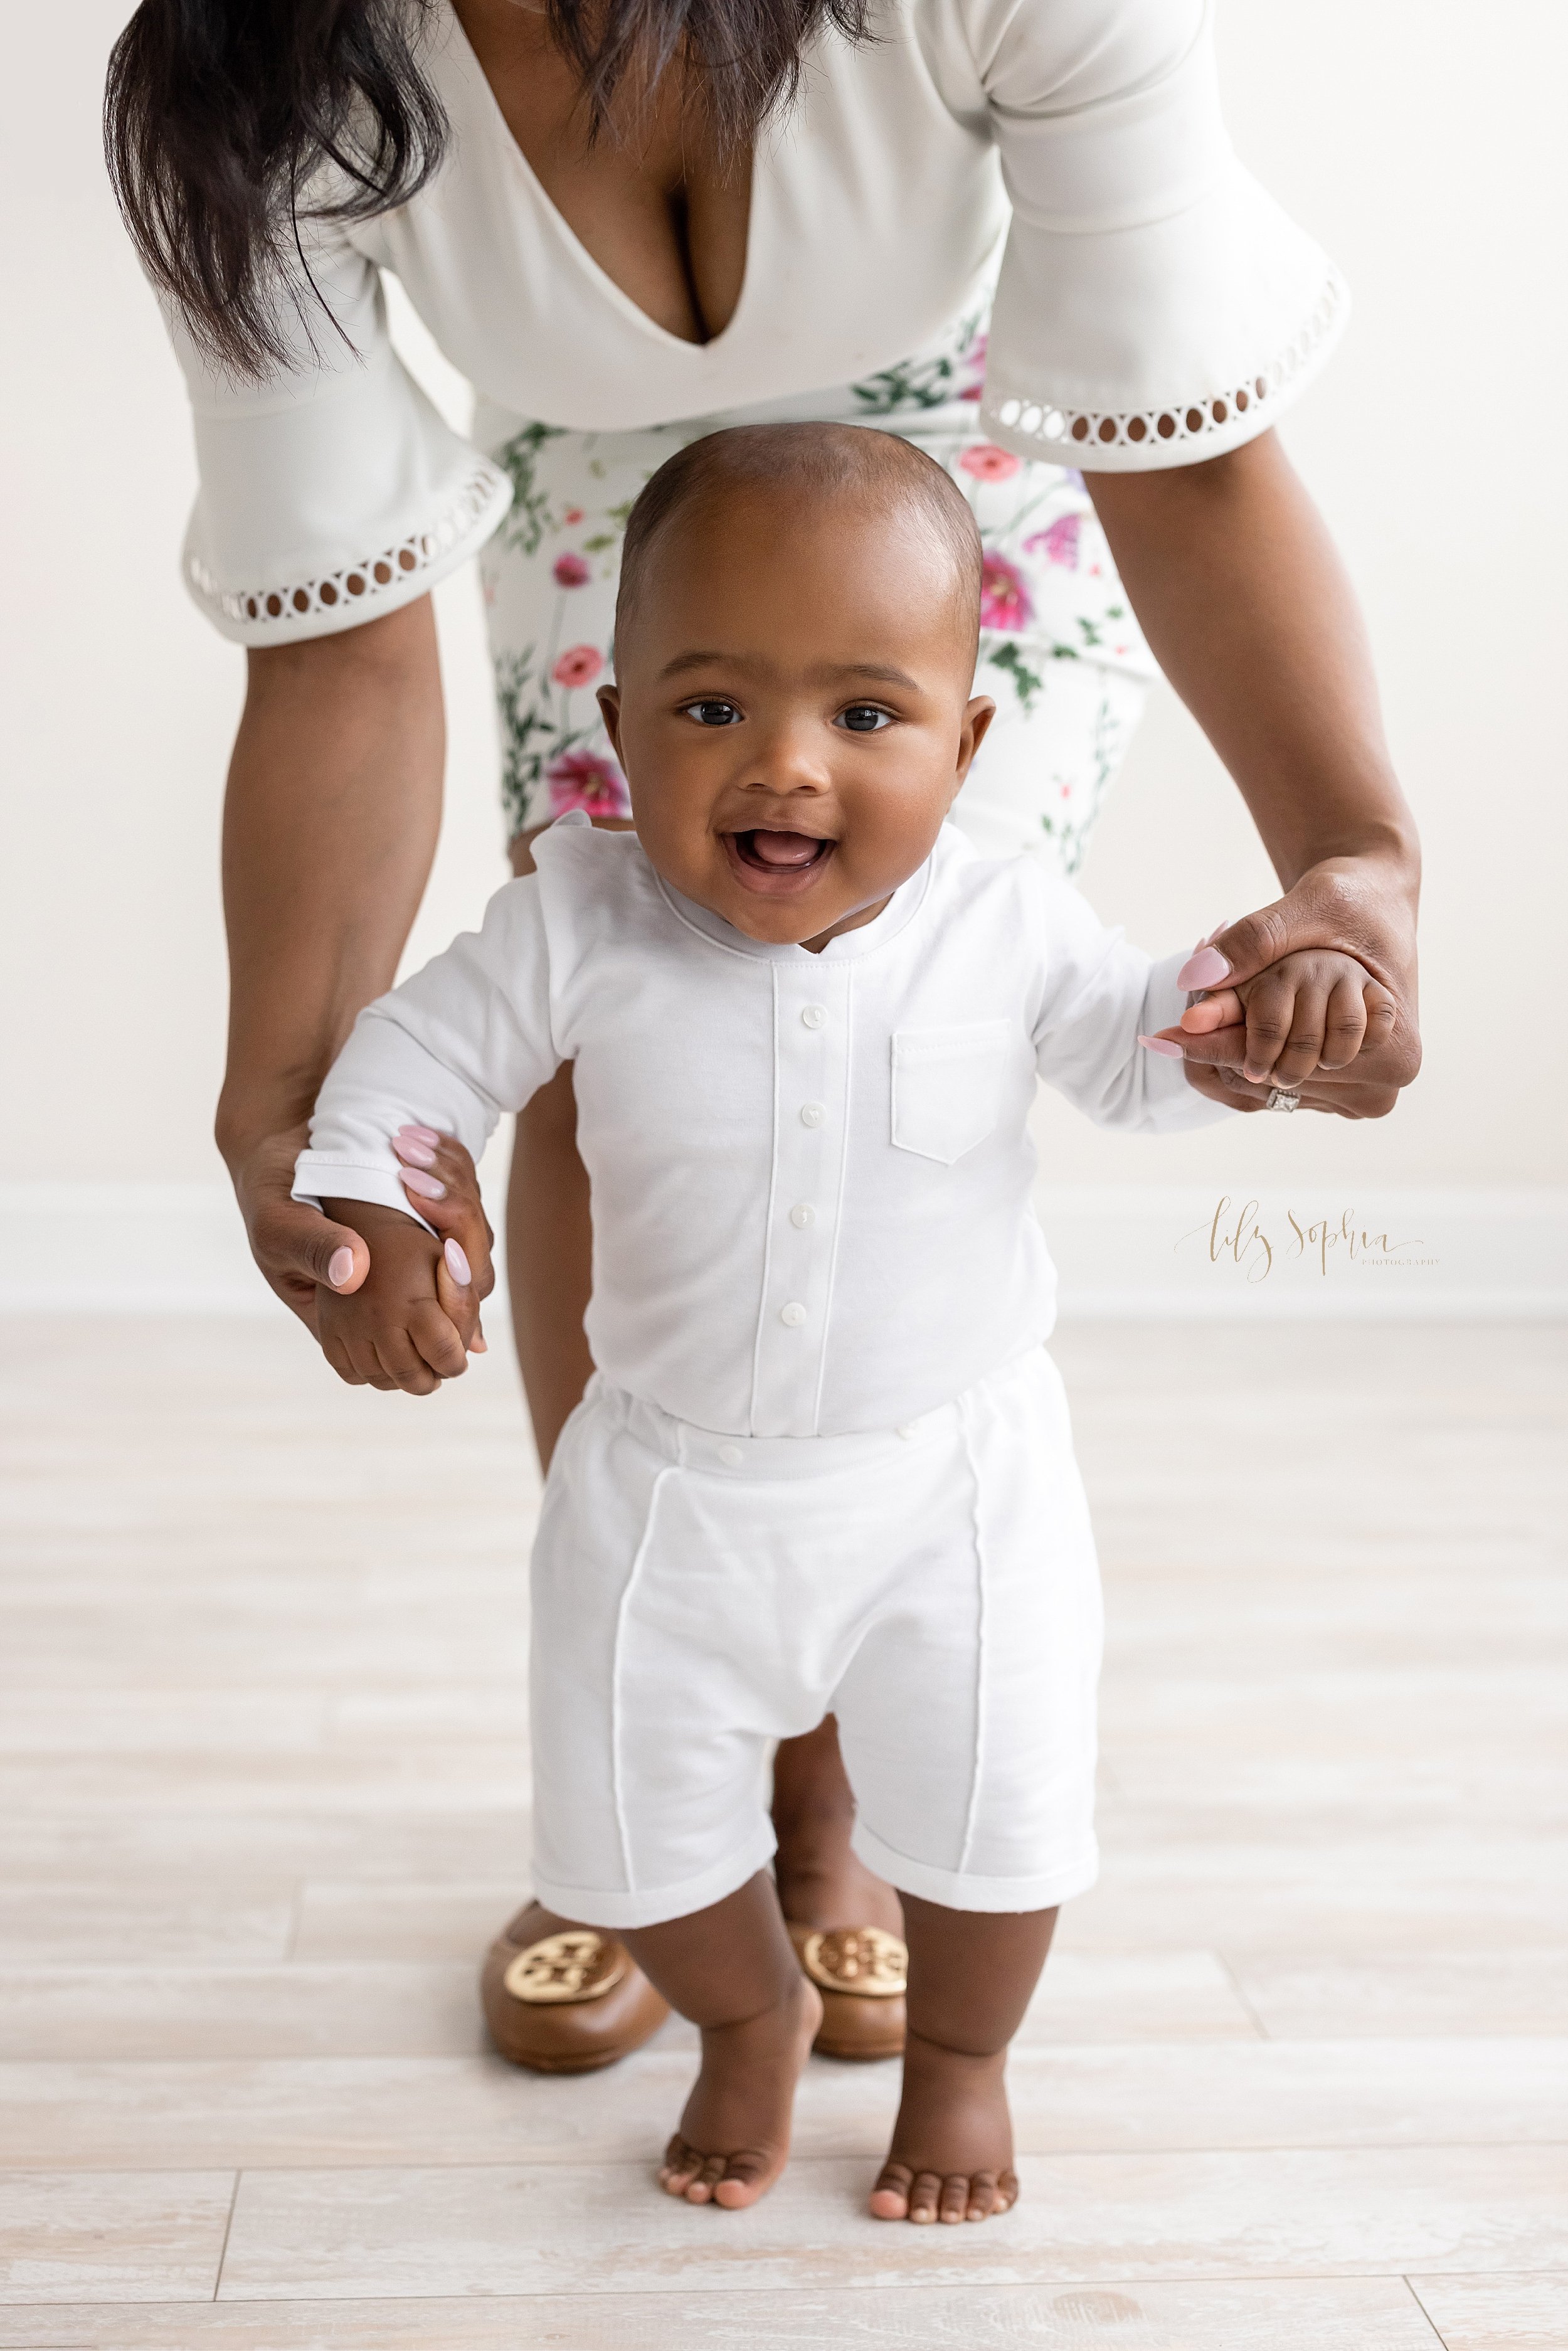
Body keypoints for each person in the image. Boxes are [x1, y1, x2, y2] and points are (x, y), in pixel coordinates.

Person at [105, 0, 1421, 2071]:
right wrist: (291, 1093)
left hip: (974, 495)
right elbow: (341, 638)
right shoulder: (255, 72)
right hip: (612, 540)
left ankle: (861, 1795)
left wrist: (1352, 856)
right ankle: (678, 1771)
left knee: (917, 985)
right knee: (610, 1030)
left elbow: (1186, 448)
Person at [291, 423, 1391, 2221]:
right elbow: (416, 1056)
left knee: (997, 1817)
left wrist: (1277, 1022)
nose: (785, 765)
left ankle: (960, 2068)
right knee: (633, 1836)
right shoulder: (575, 914)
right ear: (620, 719)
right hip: (663, 1490)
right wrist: (367, 1183)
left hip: (949, 1487)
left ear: (966, 744)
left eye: (865, 718)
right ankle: (742, 2023)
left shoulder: (1005, 921)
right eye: (711, 709)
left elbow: (1145, 1049)